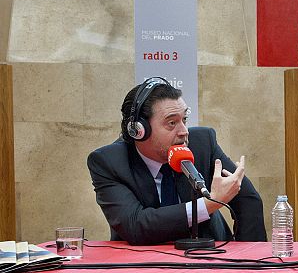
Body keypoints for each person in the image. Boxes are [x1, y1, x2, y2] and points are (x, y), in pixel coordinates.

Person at [87, 78, 266, 245]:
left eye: (184, 119)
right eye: (172, 123)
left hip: (208, 256)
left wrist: (249, 259)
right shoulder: (109, 162)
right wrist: (209, 205)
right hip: (143, 262)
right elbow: (135, 225)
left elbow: (248, 200)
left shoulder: (202, 143)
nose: (184, 131)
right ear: (139, 130)